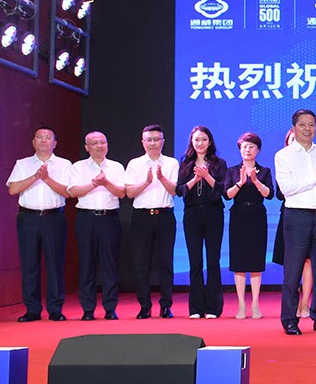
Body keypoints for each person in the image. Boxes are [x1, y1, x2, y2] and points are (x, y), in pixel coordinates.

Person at [274, 109, 316, 335]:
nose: (307, 129)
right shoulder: (283, 155)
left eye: (311, 124)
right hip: (297, 218)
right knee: (292, 273)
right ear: (294, 128)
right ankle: (289, 320)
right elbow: (287, 189)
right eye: (302, 124)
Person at [6, 127, 71, 322]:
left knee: (55, 264)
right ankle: (32, 309)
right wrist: (35, 177)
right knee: (29, 264)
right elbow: (13, 189)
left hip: (54, 218)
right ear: (33, 142)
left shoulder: (64, 164)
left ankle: (55, 309)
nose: (43, 140)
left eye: (48, 137)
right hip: (28, 218)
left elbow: (67, 192)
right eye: (39, 137)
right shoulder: (23, 164)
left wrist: (46, 178)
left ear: (55, 143)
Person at [67, 131, 126, 320]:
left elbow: (121, 193)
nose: (99, 146)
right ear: (87, 147)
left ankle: (110, 308)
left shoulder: (116, 167)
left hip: (109, 219)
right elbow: (73, 191)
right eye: (94, 143)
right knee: (86, 264)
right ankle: (88, 309)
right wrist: (94, 183)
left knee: (110, 264)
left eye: (102, 142)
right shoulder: (78, 167)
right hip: (86, 219)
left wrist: (105, 182)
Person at [124, 124, 180, 319]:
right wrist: (147, 182)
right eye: (149, 139)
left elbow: (175, 191)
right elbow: (129, 193)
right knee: (141, 263)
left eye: (157, 139)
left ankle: (166, 306)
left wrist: (161, 178)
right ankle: (144, 306)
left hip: (165, 216)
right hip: (141, 217)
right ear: (143, 142)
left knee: (166, 262)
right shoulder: (134, 164)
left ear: (163, 141)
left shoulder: (171, 163)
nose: (153, 143)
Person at [176, 125, 228, 318]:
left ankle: (213, 307)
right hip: (191, 215)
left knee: (213, 261)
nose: (200, 143)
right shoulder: (185, 163)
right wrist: (195, 179)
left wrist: (206, 176)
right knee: (195, 262)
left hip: (213, 214)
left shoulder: (219, 164)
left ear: (210, 141)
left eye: (204, 139)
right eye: (196, 139)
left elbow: (223, 190)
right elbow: (179, 190)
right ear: (192, 141)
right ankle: (196, 308)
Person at [224, 132, 273, 319]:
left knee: (255, 261)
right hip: (238, 215)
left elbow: (269, 194)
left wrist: (255, 181)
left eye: (251, 146)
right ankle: (241, 305)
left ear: (258, 150)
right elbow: (227, 194)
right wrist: (241, 182)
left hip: (257, 215)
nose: (247, 150)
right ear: (239, 149)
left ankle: (255, 305)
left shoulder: (265, 171)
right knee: (239, 261)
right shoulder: (232, 171)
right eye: (244, 146)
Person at [272, 128, 313, 318]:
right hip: (289, 214)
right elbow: (282, 193)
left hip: (311, 213)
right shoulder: (282, 160)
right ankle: (293, 305)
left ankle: (305, 304)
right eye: (291, 140)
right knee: (291, 263)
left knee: (308, 262)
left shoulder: (312, 160)